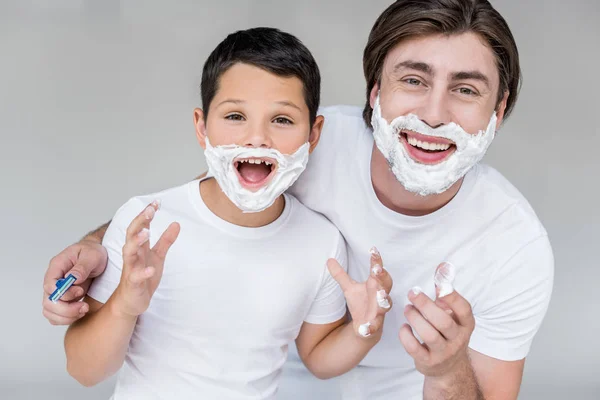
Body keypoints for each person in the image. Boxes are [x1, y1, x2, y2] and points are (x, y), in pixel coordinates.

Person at [43, 1, 554, 399]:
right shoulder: (301, 145)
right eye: (413, 80)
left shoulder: (515, 245)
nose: (435, 113)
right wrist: (97, 246)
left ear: (498, 109)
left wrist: (444, 370)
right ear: (375, 92)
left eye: (466, 90)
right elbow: (202, 200)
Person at [59, 27, 393, 400]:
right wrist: (125, 305)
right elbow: (84, 371)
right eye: (235, 116)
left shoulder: (321, 242)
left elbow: (318, 356)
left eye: (281, 120)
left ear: (313, 135)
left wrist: (366, 329)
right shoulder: (144, 224)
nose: (257, 138)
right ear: (201, 127)